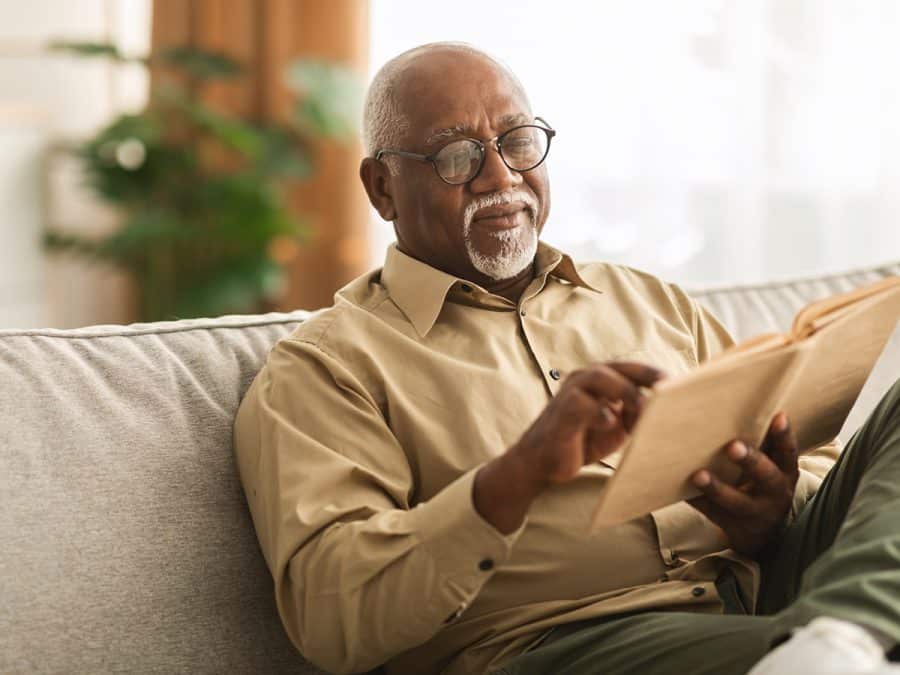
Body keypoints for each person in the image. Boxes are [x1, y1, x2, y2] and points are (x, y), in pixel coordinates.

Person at [234, 42, 900, 675]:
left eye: (518, 141)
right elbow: (333, 614)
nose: (501, 177)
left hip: (772, 591)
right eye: (457, 155)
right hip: (562, 641)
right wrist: (516, 475)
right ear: (382, 188)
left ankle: (847, 634)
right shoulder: (327, 366)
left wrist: (773, 512)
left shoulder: (645, 299)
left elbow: (818, 470)